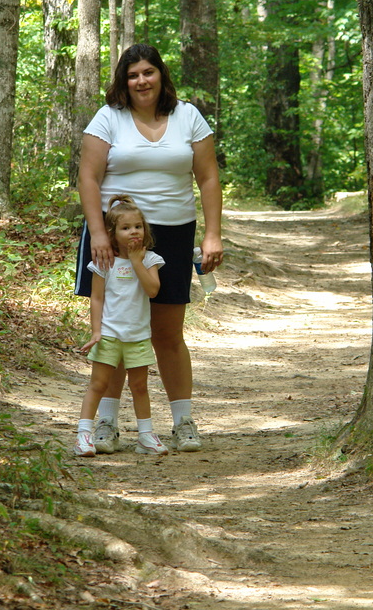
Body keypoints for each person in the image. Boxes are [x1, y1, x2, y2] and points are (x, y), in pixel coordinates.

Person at [76, 43, 223, 454]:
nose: (142, 80)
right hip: (115, 237)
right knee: (116, 331)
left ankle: (183, 421)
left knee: (167, 332)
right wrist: (100, 235)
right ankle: (105, 423)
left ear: (161, 75)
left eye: (148, 72)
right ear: (124, 82)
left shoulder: (188, 116)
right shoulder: (108, 119)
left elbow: (208, 179)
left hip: (173, 234)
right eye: (133, 74)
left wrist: (212, 234)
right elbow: (88, 179)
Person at [75, 196, 168, 456]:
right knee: (98, 384)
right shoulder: (105, 262)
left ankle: (146, 436)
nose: (133, 232)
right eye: (125, 228)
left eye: (138, 226)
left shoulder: (150, 260)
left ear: (145, 230)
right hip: (109, 335)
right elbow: (97, 298)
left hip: (138, 336)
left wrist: (137, 261)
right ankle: (83, 435)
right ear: (112, 234)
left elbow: (152, 291)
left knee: (139, 386)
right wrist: (96, 331)